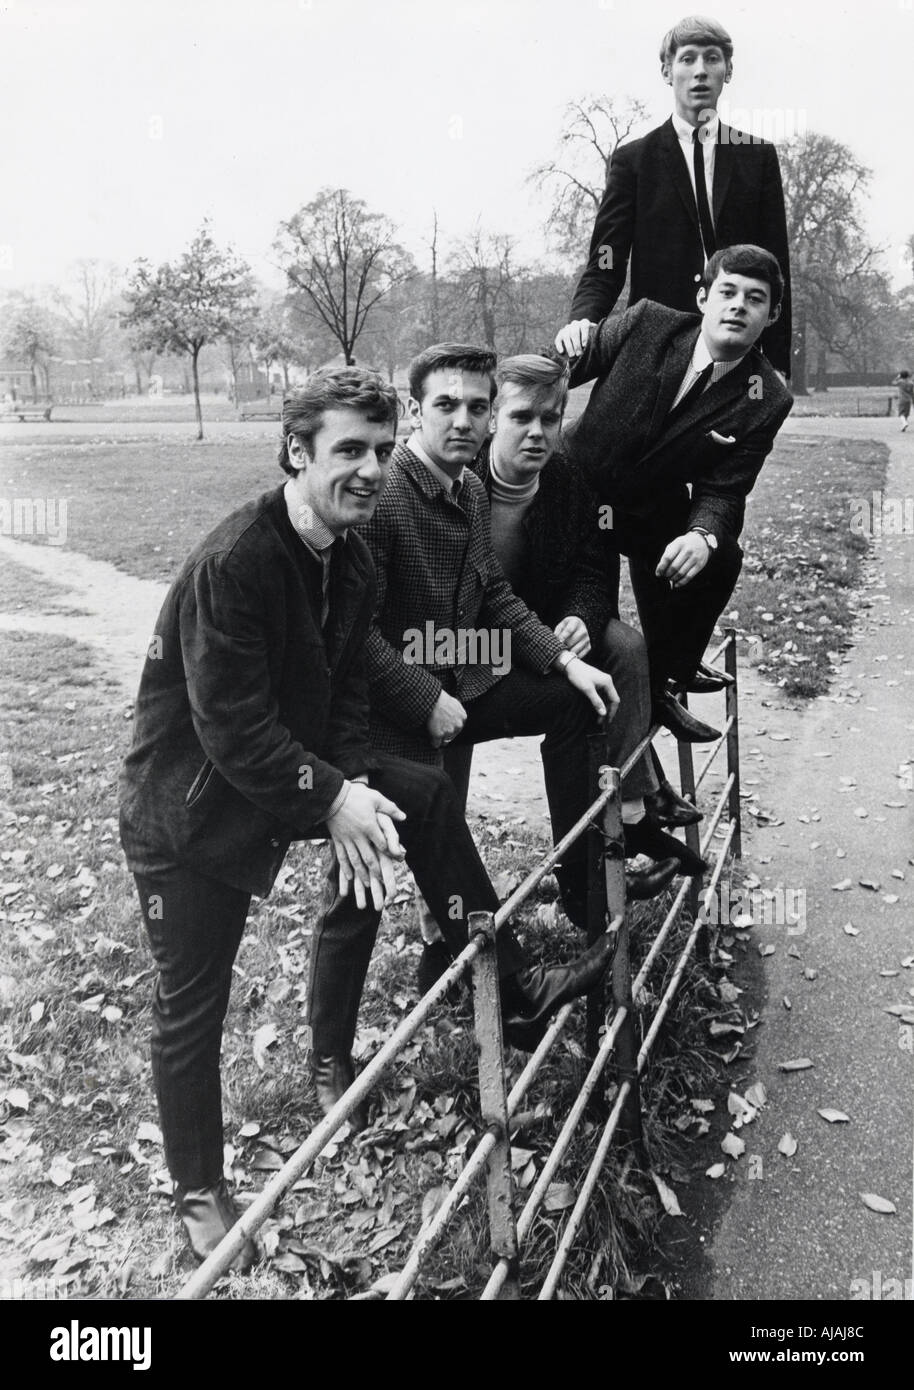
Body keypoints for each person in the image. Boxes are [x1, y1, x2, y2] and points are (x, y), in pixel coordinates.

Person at [117, 368, 616, 1270]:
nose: (370, 470)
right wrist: (334, 799)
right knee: (193, 1001)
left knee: (420, 796)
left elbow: (345, 686)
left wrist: (355, 783)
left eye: (382, 452)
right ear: (297, 453)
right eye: (349, 451)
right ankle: (196, 1187)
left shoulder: (349, 551)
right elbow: (233, 730)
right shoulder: (238, 561)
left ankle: (498, 978)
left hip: (294, 767)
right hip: (193, 813)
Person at [360, 343, 689, 982]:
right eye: (448, 406)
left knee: (587, 689)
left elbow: (512, 586)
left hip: (471, 657)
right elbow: (360, 634)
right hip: (418, 679)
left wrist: (564, 652)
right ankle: (451, 953)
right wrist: (427, 694)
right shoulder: (393, 493)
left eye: (475, 408)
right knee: (435, 809)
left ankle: (585, 879)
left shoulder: (478, 487)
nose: (464, 421)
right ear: (415, 409)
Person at [555, 243, 793, 739]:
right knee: (607, 633)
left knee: (721, 554)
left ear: (770, 316)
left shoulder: (766, 397)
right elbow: (553, 376)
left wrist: (702, 536)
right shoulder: (647, 323)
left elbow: (725, 489)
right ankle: (635, 763)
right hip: (573, 491)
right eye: (726, 291)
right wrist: (569, 341)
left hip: (644, 508)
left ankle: (666, 680)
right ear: (703, 298)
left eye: (754, 299)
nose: (738, 306)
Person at [570, 14, 791, 377]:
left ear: (729, 71)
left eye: (712, 58)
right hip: (653, 353)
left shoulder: (757, 156)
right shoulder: (633, 161)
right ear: (667, 71)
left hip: (737, 357)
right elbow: (606, 259)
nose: (700, 71)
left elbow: (776, 268)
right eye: (688, 59)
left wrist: (777, 364)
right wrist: (583, 318)